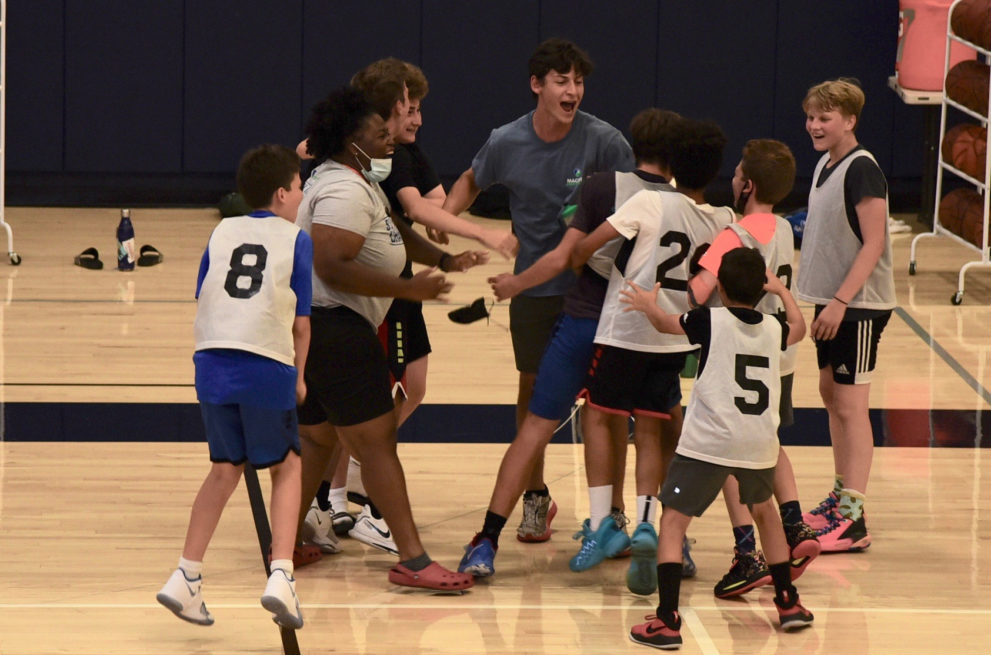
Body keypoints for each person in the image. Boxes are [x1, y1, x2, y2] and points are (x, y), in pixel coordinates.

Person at [457, 108, 681, 578]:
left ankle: (487, 540)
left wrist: (519, 283)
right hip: (637, 331)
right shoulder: (684, 204)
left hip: (585, 319)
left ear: (632, 148)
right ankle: (658, 534)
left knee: (536, 426)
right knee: (647, 430)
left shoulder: (601, 186)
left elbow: (568, 254)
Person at [444, 38, 634, 541]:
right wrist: (445, 216)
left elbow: (638, 204)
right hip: (534, 289)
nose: (572, 91)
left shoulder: (606, 141)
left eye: (578, 82)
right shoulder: (506, 140)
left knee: (606, 402)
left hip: (596, 292)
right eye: (561, 81)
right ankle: (536, 497)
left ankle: (614, 508)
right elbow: (471, 178)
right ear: (537, 85)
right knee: (532, 394)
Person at [294, 85, 474, 591]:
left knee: (317, 437)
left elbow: (393, 230)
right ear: (352, 140)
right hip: (337, 330)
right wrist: (407, 288)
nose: (390, 136)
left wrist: (443, 259)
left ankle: (283, 545)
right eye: (379, 131)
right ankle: (413, 561)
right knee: (377, 444)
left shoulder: (355, 180)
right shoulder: (344, 191)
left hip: (319, 329)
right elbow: (331, 266)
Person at [568, 118, 734, 592]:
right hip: (674, 340)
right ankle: (645, 520)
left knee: (599, 418)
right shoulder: (725, 221)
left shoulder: (648, 200)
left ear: (672, 167)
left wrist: (587, 250)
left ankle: (603, 523)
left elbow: (585, 248)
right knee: (653, 432)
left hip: (624, 332)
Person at [622, 247, 814, 650]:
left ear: (720, 288)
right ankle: (788, 602)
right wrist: (781, 291)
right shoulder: (774, 327)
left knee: (672, 522)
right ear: (761, 288)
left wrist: (646, 304)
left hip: (708, 442)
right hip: (760, 442)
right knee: (767, 516)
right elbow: (800, 326)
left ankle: (668, 620)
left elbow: (663, 324)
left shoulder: (707, 319)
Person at [156, 144, 312, 629]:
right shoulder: (295, 239)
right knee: (287, 465)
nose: (303, 195)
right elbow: (302, 324)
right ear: (284, 193)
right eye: (300, 187)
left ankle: (185, 575)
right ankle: (282, 574)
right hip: (264, 362)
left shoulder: (221, 230)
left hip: (210, 360)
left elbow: (204, 294)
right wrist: (300, 378)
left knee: (224, 467)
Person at [688, 139, 821, 596]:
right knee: (771, 442)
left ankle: (748, 551)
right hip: (780, 355)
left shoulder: (733, 235)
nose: (734, 177)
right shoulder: (784, 229)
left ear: (748, 186)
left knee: (730, 453)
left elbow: (697, 292)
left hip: (740, 357)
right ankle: (795, 524)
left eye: (739, 172)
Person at [796, 78, 895, 552]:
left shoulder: (862, 169)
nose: (814, 125)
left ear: (849, 121)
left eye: (825, 117)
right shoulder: (824, 164)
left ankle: (853, 519)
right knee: (830, 393)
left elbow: (874, 242)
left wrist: (840, 301)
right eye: (811, 116)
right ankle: (840, 498)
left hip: (856, 306)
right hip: (830, 301)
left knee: (852, 406)